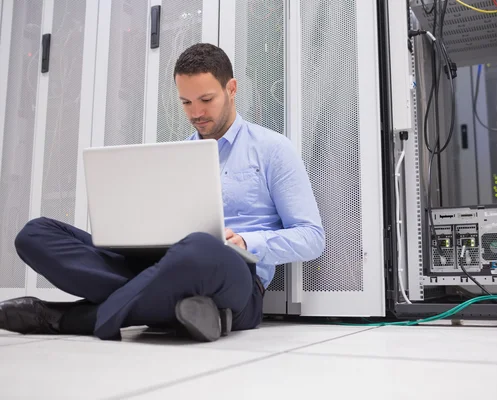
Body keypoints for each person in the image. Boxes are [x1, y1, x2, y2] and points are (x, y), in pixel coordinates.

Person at [0, 43, 325, 342]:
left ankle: (69, 318)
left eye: (206, 100)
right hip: (165, 264)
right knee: (36, 234)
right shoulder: (175, 155)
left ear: (232, 89)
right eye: (185, 102)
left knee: (200, 247)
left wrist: (246, 242)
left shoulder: (272, 149)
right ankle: (182, 310)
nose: (195, 112)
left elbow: (312, 237)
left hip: (234, 277)